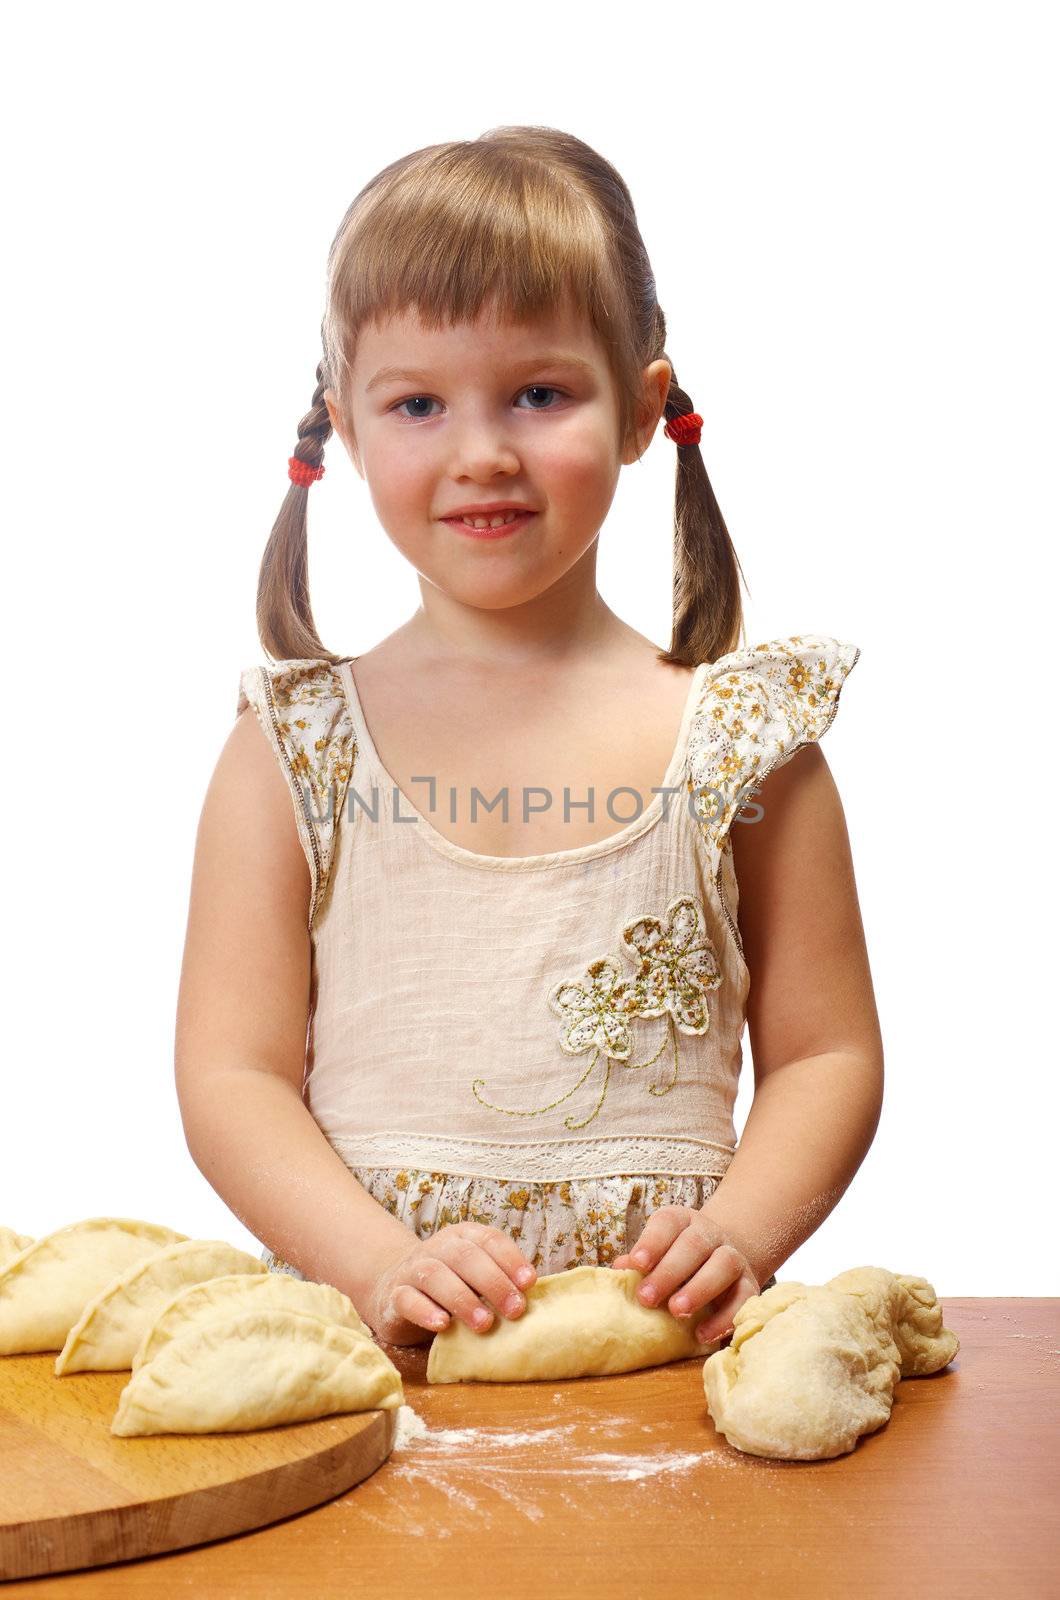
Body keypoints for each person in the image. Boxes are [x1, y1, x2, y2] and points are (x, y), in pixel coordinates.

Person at [175, 126, 883, 1353]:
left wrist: (743, 1233)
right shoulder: (291, 750)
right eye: (417, 403)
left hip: (659, 1354)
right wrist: (377, 1263)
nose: (482, 451)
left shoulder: (744, 743)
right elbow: (231, 1077)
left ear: (640, 411)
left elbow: (826, 1051)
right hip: (373, 1352)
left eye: (539, 392)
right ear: (344, 428)